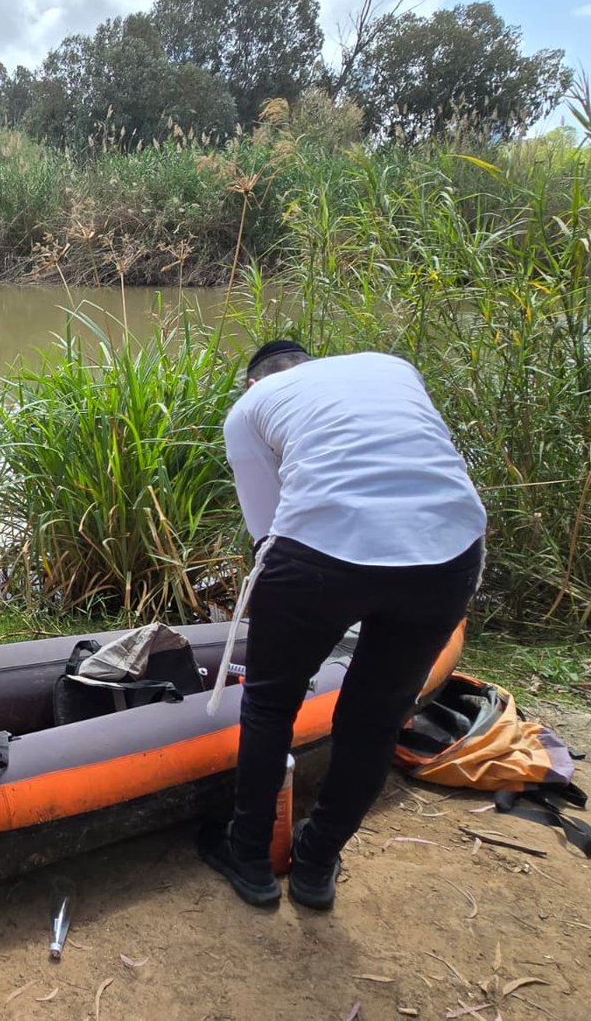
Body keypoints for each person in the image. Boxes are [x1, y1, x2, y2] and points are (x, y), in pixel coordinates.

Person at [198, 340, 486, 909]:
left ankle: (251, 856)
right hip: (450, 552)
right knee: (375, 719)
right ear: (313, 364)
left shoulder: (250, 408)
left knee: (270, 704)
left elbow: (267, 531)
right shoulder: (391, 365)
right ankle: (317, 863)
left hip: (321, 561)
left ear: (253, 384)